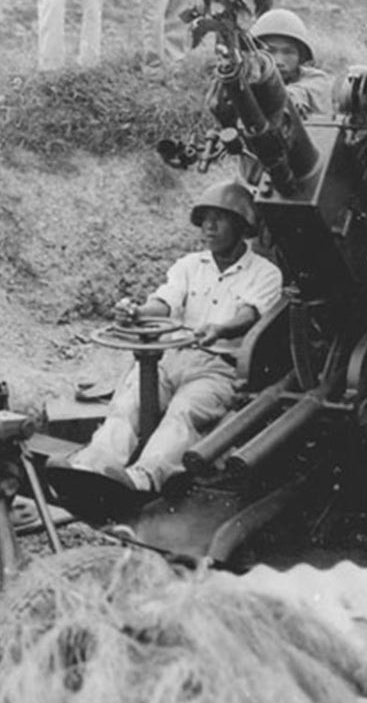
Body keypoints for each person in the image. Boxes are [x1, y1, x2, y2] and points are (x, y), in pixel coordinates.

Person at [47, 181, 282, 511]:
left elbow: (249, 314)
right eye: (204, 219)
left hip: (218, 370)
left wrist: (219, 329)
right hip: (172, 357)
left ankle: (143, 478)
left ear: (242, 226)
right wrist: (137, 312)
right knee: (129, 403)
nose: (208, 227)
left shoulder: (265, 273)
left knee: (182, 412)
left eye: (219, 219)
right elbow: (165, 302)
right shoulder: (189, 265)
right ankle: (93, 466)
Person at [250, 8, 334, 117]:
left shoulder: (317, 79)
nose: (278, 61)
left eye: (288, 52)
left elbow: (301, 92)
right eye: (270, 51)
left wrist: (288, 98)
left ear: (301, 57)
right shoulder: (245, 79)